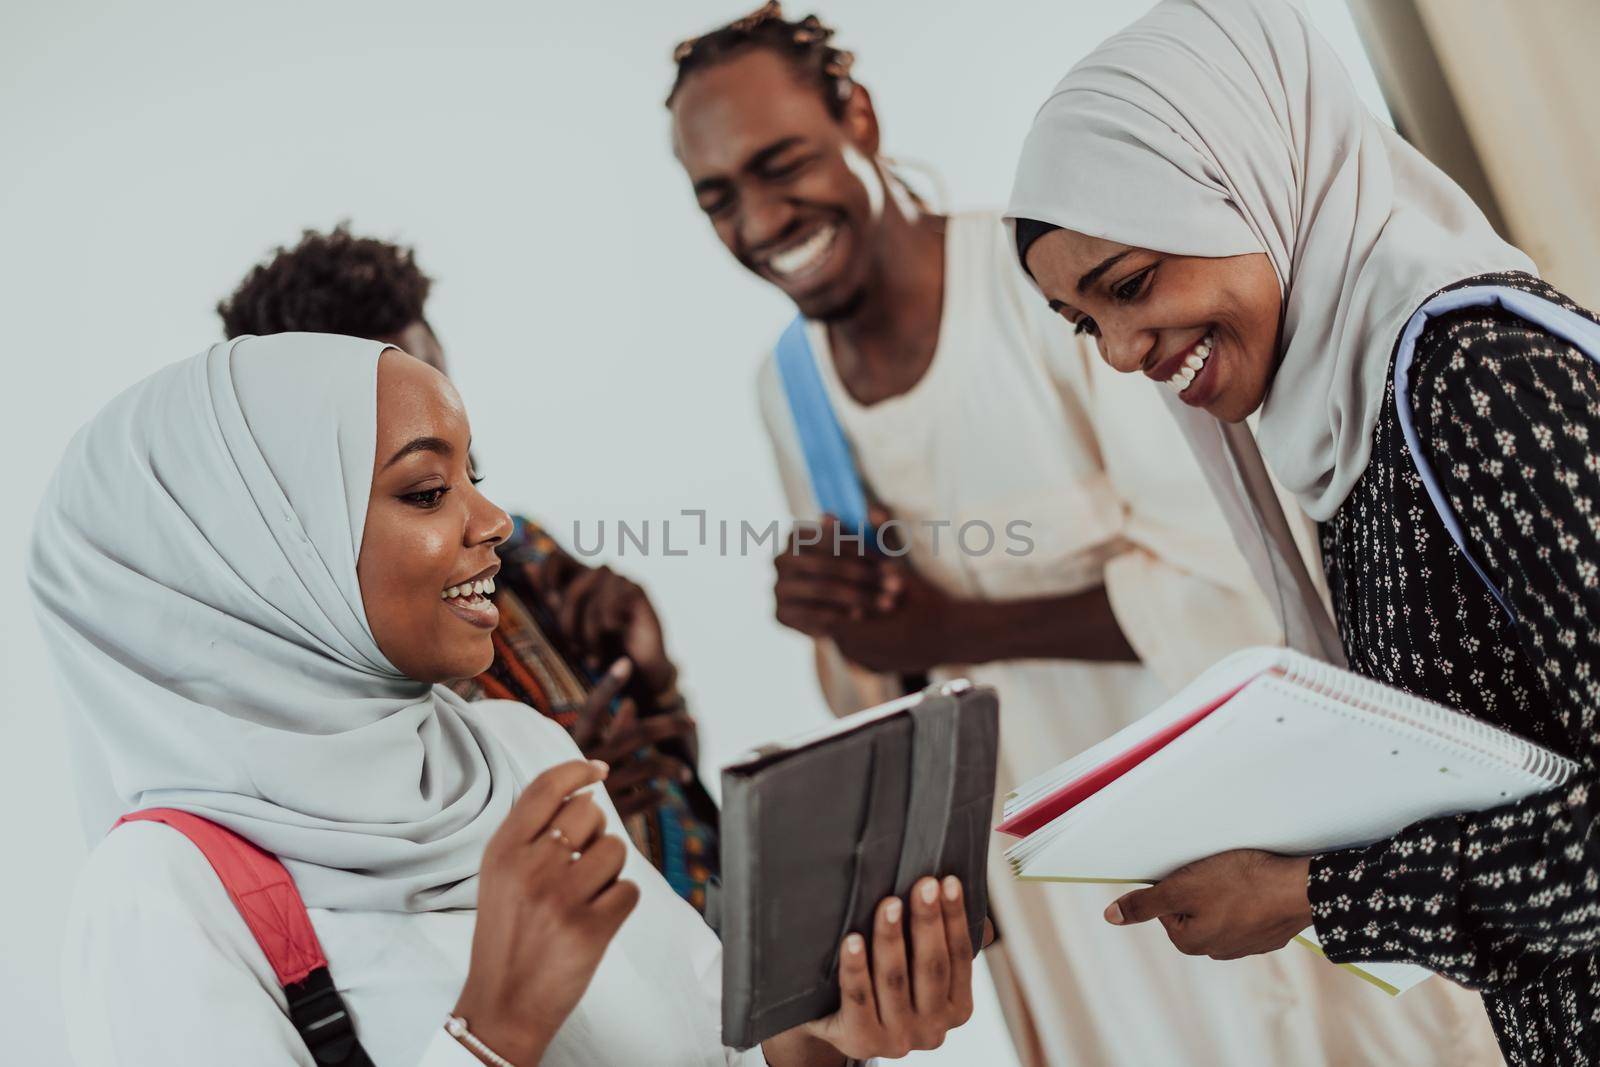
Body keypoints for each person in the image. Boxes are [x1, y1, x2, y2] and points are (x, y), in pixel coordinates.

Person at [667, 4, 1494, 1064]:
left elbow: (1230, 581)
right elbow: (889, 676)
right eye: (716, 198)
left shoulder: (1058, 290)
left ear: (857, 119)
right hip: (1054, 886)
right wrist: (846, 622)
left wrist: (953, 616)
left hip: (1228, 821)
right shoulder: (790, 391)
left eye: (780, 163)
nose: (758, 218)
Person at [32, 333, 976, 1066]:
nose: (495, 523)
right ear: (257, 560)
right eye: (428, 489)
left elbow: (720, 1048)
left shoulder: (520, 755)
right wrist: (496, 1027)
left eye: (473, 477)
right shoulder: (161, 894)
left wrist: (831, 1030)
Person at [1007, 0, 1600, 1063]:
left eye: (1132, 285)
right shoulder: (1351, 424)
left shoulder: (1471, 378)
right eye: (1085, 322)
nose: (1122, 352)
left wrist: (1315, 890)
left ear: (1255, 177)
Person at [217, 227, 720, 915]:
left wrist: (655, 678)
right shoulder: (307, 670)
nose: (445, 408)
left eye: (438, 373)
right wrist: (534, 795)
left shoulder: (521, 557)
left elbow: (678, 781)